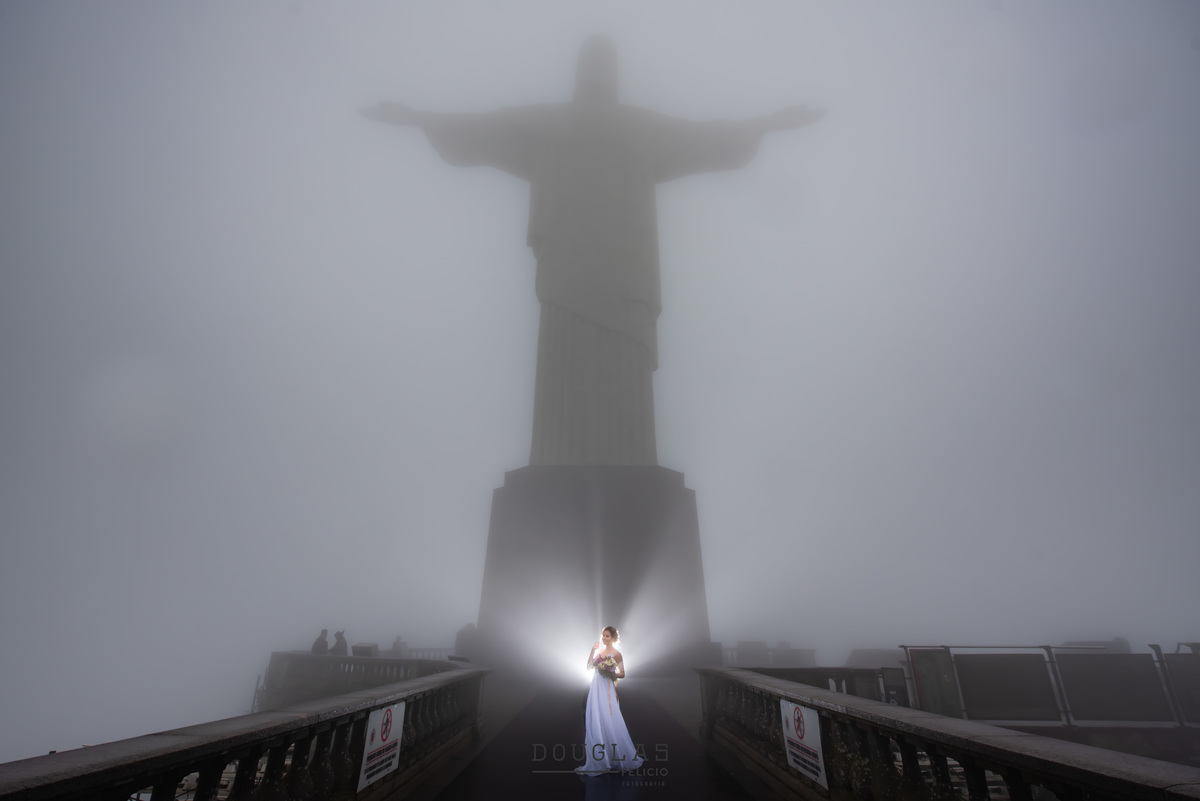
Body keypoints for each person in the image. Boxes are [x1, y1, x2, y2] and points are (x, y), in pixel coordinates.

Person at [576, 626, 643, 775]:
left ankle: (615, 756)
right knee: (596, 718)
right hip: (596, 688)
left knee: (609, 717)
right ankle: (601, 757)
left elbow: (623, 674)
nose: (604, 638)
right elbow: (589, 666)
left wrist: (610, 672)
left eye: (607, 636)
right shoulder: (599, 652)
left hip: (607, 688)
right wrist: (593, 650)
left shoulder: (617, 655)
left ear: (613, 638)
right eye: (603, 635)